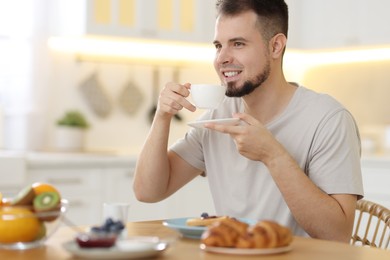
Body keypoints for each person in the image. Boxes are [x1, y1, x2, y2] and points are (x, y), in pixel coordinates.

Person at [133, 0, 364, 243]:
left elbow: (337, 234)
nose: (222, 58)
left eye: (238, 44)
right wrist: (162, 117)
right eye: (218, 45)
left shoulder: (328, 120)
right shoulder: (218, 117)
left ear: (276, 46)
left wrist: (272, 155)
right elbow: (147, 192)